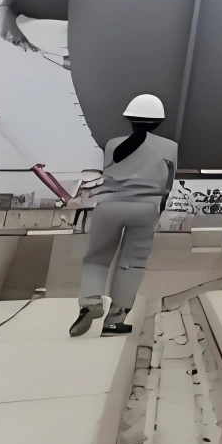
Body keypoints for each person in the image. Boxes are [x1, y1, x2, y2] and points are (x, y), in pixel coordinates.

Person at [71, 93, 178, 338]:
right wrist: (157, 210)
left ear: (129, 119)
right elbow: (169, 183)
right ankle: (115, 320)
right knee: (133, 262)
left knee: (96, 258)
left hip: (109, 204)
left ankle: (90, 302)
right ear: (159, 122)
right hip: (146, 205)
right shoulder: (171, 147)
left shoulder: (112, 144)